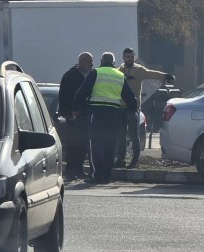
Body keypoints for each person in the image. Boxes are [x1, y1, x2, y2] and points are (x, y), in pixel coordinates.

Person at [73, 52, 137, 184]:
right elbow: (131, 98)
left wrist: (76, 108)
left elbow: (82, 91)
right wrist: (130, 111)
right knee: (110, 145)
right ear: (113, 63)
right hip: (114, 115)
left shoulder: (95, 72)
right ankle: (107, 176)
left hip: (97, 113)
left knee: (95, 145)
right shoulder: (120, 75)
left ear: (101, 61)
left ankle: (97, 175)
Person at [115, 47, 165, 168]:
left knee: (134, 135)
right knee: (120, 136)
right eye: (128, 57)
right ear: (123, 57)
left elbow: (152, 73)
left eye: (132, 57)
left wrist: (166, 76)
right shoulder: (118, 71)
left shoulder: (139, 70)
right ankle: (120, 160)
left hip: (133, 108)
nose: (130, 59)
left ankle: (134, 160)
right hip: (120, 107)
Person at [58, 52, 93, 181]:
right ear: (82, 62)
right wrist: (67, 112)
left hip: (86, 116)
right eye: (89, 61)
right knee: (73, 145)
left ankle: (79, 169)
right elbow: (63, 96)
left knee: (83, 144)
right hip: (72, 116)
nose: (91, 64)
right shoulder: (70, 76)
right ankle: (70, 170)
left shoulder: (91, 74)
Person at [148, 74, 182, 139]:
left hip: (159, 107)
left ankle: (156, 127)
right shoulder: (177, 89)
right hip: (171, 108)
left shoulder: (159, 89)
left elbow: (153, 98)